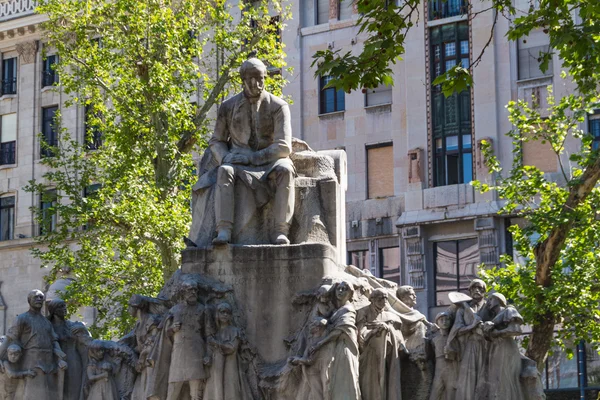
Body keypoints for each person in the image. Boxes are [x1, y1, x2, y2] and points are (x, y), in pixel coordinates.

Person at [208, 56, 295, 245]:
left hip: (270, 159)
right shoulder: (228, 107)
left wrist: (253, 158)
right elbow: (216, 141)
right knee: (225, 171)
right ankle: (224, 230)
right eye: (251, 79)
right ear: (243, 81)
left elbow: (284, 146)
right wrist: (226, 157)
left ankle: (281, 230)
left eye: (261, 78)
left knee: (286, 170)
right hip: (238, 160)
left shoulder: (279, 106)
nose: (256, 83)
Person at [148, 281, 212, 400]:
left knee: (196, 393)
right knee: (173, 390)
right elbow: (164, 333)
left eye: (195, 290)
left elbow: (208, 335)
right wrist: (172, 329)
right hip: (178, 353)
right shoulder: (174, 310)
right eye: (190, 290)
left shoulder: (203, 310)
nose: (193, 292)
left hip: (196, 353)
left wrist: (208, 354)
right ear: (183, 292)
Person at [0, 290, 67, 400]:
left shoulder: (47, 322)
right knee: (33, 394)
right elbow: (10, 338)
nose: (39, 300)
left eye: (41, 297)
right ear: (29, 300)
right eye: (36, 297)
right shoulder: (22, 318)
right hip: (32, 362)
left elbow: (54, 341)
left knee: (49, 395)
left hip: (49, 363)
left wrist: (60, 359)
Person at [308, 281, 360, 400]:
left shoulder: (348, 309)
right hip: (336, 349)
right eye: (339, 289)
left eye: (344, 289)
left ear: (350, 294)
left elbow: (339, 331)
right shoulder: (336, 309)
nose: (340, 291)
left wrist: (319, 344)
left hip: (345, 348)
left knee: (346, 382)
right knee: (335, 383)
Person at [356, 288, 405, 400]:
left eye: (386, 298)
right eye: (380, 298)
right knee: (370, 381)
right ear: (372, 299)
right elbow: (361, 332)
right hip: (370, 352)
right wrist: (375, 331)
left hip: (387, 353)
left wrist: (400, 343)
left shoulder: (390, 316)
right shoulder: (363, 312)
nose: (384, 301)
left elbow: (398, 333)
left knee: (386, 379)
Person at [204, 302, 254, 400]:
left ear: (231, 316)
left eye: (228, 312)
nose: (225, 315)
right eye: (222, 312)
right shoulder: (215, 333)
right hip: (216, 367)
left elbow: (232, 348)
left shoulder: (235, 331)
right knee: (216, 390)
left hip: (231, 365)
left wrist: (216, 343)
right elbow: (210, 351)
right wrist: (207, 358)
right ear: (217, 315)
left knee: (231, 389)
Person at [449, 279, 488, 400]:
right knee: (468, 378)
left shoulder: (490, 306)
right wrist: (471, 326)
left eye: (480, 288)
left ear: (484, 291)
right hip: (469, 346)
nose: (477, 290)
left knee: (487, 376)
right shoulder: (462, 309)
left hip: (488, 346)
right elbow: (457, 329)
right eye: (474, 288)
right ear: (470, 291)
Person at [482, 293, 525, 400]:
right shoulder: (494, 318)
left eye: (490, 299)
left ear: (499, 299)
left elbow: (516, 330)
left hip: (506, 347)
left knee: (505, 378)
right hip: (495, 349)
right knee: (495, 380)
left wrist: (496, 332)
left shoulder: (509, 311)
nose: (488, 303)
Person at [48, 299, 91, 400]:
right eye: (61, 306)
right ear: (54, 310)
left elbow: (88, 340)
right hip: (54, 361)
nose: (65, 308)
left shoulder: (73, 325)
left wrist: (84, 330)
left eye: (65, 306)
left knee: (74, 388)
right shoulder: (48, 326)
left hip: (74, 360)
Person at [428, 312, 457, 400]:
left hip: (451, 367)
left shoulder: (453, 338)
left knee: (451, 393)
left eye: (447, 320)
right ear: (437, 323)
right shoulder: (433, 338)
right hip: (439, 368)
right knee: (435, 393)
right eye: (441, 320)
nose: (444, 322)